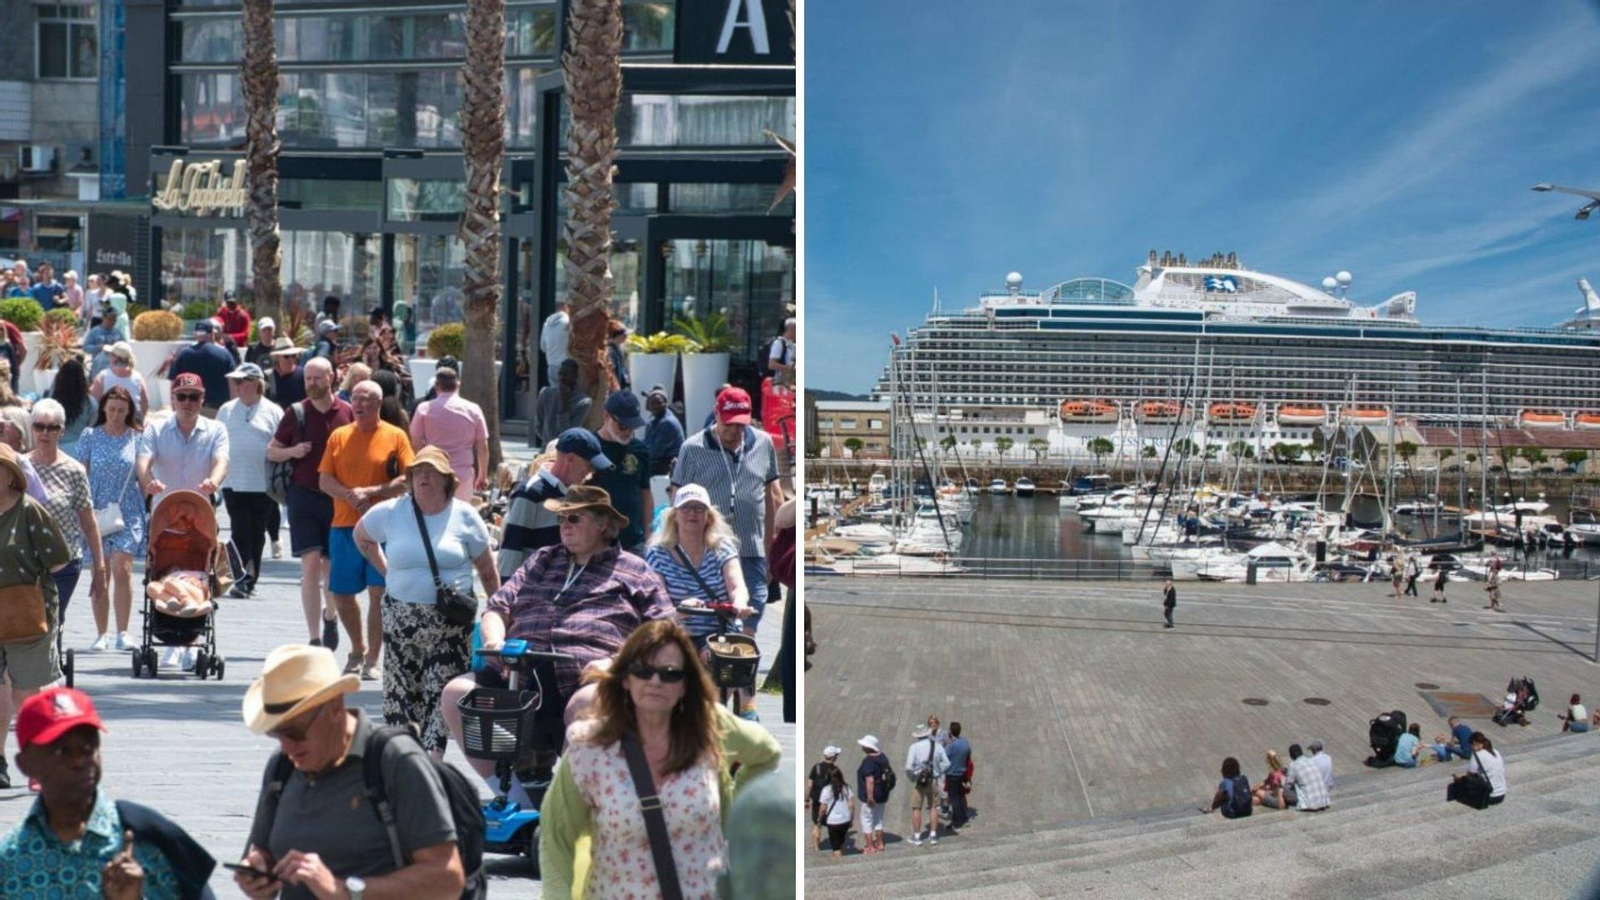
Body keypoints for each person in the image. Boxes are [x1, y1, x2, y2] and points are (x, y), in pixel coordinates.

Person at [439, 485, 675, 785]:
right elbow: (497, 608)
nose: (564, 525)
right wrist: (494, 641)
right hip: (519, 673)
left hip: (589, 676)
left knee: (585, 704)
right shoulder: (542, 559)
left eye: (574, 518)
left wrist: (618, 664)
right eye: (561, 519)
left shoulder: (635, 570)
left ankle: (566, 801)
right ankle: (508, 794)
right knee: (456, 694)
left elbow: (665, 633)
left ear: (602, 523)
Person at [538, 619, 782, 897]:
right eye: (643, 670)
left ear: (685, 686)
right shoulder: (589, 745)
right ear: (626, 679)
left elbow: (766, 753)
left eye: (669, 674)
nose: (655, 681)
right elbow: (555, 837)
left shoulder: (710, 725)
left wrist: (736, 813)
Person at [236, 644, 465, 899]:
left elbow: (447, 878)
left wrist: (346, 891)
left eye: (295, 732)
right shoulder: (282, 766)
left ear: (334, 707)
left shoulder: (394, 761)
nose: (287, 746)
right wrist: (257, 870)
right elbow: (262, 851)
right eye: (276, 733)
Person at [353, 447, 498, 760]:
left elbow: (487, 571)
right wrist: (386, 570)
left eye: (431, 472)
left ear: (447, 480)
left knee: (440, 690)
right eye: (418, 472)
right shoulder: (391, 511)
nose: (423, 477)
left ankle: (432, 759)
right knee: (400, 692)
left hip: (448, 626)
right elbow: (362, 537)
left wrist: (498, 614)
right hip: (401, 621)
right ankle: (403, 757)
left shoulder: (465, 515)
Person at [0, 687, 214, 896]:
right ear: (25, 764)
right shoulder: (10, 859)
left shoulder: (148, 837)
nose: (79, 761)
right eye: (62, 751)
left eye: (88, 747)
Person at [670, 387, 783, 676]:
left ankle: (741, 692)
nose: (734, 430)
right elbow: (676, 497)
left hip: (751, 548)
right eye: (728, 423)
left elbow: (773, 497)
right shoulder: (692, 448)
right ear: (716, 414)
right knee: (712, 623)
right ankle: (713, 683)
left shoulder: (763, 443)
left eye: (740, 424)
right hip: (708, 552)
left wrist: (771, 549)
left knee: (748, 623)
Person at [318, 380, 414, 680]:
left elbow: (407, 478)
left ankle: (373, 657)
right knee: (342, 594)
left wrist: (371, 492)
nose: (359, 405)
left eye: (366, 399)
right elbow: (324, 480)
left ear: (379, 403)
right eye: (355, 398)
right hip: (344, 526)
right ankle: (356, 650)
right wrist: (351, 495)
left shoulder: (395, 436)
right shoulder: (339, 436)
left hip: (384, 528)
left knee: (379, 592)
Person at [268, 357, 351, 650]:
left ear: (332, 378)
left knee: (332, 568)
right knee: (310, 566)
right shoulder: (296, 413)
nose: (312, 383)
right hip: (302, 495)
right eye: (308, 379)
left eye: (317, 378)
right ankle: (314, 636)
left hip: (336, 499)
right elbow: (272, 452)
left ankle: (331, 616)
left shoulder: (348, 412)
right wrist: (293, 450)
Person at [72, 387, 151, 654]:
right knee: (100, 572)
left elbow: (142, 471)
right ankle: (101, 632)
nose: (116, 414)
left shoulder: (136, 438)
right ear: (103, 408)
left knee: (122, 568)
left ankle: (124, 631)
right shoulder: (90, 436)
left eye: (121, 409)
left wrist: (152, 488)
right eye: (112, 408)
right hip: (96, 510)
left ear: (129, 411)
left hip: (128, 509)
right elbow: (80, 471)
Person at [28, 400, 103, 650]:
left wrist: (100, 569)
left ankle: (49, 668)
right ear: (32, 429)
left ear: (62, 431)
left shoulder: (74, 470)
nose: (45, 433)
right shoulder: (20, 467)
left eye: (52, 427)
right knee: (25, 619)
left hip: (65, 560)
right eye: (39, 427)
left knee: (52, 617)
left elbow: (89, 521)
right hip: (24, 560)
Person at [497, 428, 609, 577]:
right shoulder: (529, 492)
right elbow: (511, 548)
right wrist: (506, 594)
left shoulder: (575, 493)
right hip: (532, 588)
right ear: (570, 459)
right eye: (588, 464)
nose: (590, 472)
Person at [217, 363, 283, 598]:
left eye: (241, 381)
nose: (237, 386)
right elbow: (217, 442)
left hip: (262, 483)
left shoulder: (274, 411)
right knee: (239, 530)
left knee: (257, 532)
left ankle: (250, 578)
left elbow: (281, 443)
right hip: (233, 482)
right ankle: (242, 577)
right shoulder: (226, 410)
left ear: (255, 383)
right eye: (235, 382)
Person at [141, 373, 229, 511]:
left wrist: (213, 482)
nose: (187, 402)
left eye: (194, 397)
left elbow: (221, 462)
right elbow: (143, 462)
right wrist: (150, 482)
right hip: (164, 511)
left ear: (202, 399)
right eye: (181, 397)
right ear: (173, 398)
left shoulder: (217, 429)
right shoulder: (155, 428)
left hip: (201, 512)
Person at [408, 367, 488, 501]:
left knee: (432, 513)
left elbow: (415, 442)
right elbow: (482, 446)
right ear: (457, 385)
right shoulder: (473, 409)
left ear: (436, 386)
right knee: (460, 513)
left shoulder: (424, 409)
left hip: (433, 469)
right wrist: (482, 475)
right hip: (463, 472)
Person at [594, 391, 652, 553]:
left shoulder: (639, 449)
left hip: (633, 541)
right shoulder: (589, 447)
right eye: (622, 425)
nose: (627, 431)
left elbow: (645, 493)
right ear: (606, 416)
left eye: (633, 426)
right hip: (595, 542)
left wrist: (649, 534)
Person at [167, 321, 236, 415]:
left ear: (196, 335)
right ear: (212, 334)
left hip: (189, 409)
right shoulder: (224, 354)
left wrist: (174, 408)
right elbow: (232, 383)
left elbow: (174, 383)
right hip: (218, 410)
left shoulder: (182, 354)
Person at [905, 723, 950, 845]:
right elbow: (947, 763)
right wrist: (937, 771)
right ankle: (933, 835)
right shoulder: (937, 746)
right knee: (933, 807)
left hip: (919, 781)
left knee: (916, 808)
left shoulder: (913, 747)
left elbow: (908, 767)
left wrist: (913, 778)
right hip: (933, 780)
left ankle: (917, 836)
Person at [532, 358, 591, 448]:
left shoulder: (584, 402)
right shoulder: (546, 393)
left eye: (567, 375)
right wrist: (549, 441)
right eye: (560, 374)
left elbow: (568, 434)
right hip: (546, 448)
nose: (562, 378)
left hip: (567, 450)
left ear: (575, 376)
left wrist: (563, 405)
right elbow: (538, 425)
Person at [48, 355, 96, 453]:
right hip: (80, 449)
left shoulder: (51, 399)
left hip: (55, 447)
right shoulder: (89, 402)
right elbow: (93, 426)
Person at [1446, 731, 1506, 807]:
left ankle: (1451, 805)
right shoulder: (1495, 751)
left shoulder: (1478, 755)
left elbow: (1470, 775)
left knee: (1453, 786)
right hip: (1501, 794)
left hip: (1490, 796)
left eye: (1470, 745)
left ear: (1474, 743)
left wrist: (1458, 777)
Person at [89, 343, 150, 418]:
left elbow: (93, 401)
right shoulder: (138, 377)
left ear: (115, 357)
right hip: (133, 420)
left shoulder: (103, 376)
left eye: (111, 355)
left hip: (109, 420)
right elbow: (144, 402)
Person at [855, 735, 890, 854]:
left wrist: (870, 797)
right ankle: (880, 843)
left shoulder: (868, 762)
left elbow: (870, 780)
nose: (862, 747)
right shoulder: (882, 757)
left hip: (872, 795)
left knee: (866, 819)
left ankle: (870, 846)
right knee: (878, 818)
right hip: (883, 793)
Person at [643, 386, 683, 477]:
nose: (655, 406)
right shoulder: (655, 420)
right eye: (652, 403)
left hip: (667, 467)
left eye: (659, 403)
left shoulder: (667, 423)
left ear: (665, 403)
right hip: (660, 464)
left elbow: (654, 453)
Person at [817, 765, 855, 858]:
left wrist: (819, 820)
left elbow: (823, 808)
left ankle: (839, 863)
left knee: (835, 847)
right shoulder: (846, 788)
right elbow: (851, 805)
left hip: (832, 821)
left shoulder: (826, 790)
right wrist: (851, 819)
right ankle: (842, 858)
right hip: (845, 819)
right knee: (841, 843)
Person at [808, 746, 842, 851]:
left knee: (816, 823)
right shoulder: (835, 770)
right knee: (833, 824)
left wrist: (806, 798)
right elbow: (839, 786)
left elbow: (810, 785)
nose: (837, 757)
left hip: (817, 800)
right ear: (833, 757)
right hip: (830, 801)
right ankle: (836, 846)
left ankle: (816, 846)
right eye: (836, 755)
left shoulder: (816, 767)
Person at [83, 306, 123, 381]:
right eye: (110, 319)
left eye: (114, 320)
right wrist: (98, 347)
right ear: (103, 318)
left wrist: (118, 347)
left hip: (115, 369)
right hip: (98, 369)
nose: (112, 322)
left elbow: (125, 348)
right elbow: (86, 347)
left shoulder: (117, 333)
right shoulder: (95, 331)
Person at [1285, 743, 1328, 812]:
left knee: (1282, 790)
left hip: (1309, 804)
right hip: (1323, 801)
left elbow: (1287, 786)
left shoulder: (1293, 765)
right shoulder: (1311, 761)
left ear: (1291, 755)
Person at [943, 722, 972, 827]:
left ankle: (958, 820)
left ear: (951, 732)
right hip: (962, 774)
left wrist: (946, 744)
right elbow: (969, 754)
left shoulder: (952, 745)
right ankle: (963, 817)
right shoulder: (964, 742)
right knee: (960, 796)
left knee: (954, 798)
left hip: (952, 774)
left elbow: (944, 756)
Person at [267, 337, 307, 406]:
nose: (291, 359)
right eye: (286, 356)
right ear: (277, 357)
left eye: (293, 356)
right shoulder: (268, 376)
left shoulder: (303, 374)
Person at [540, 299, 570, 385]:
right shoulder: (567, 322)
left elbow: (543, 347)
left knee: (555, 395)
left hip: (551, 366)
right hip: (567, 367)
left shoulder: (546, 324)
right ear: (565, 307)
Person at [767, 317, 796, 387]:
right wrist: (790, 369)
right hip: (780, 383)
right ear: (791, 329)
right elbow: (771, 364)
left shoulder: (792, 345)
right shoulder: (779, 343)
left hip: (790, 383)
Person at [606, 320, 631, 391]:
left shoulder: (621, 349)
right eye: (623, 334)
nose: (626, 336)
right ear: (616, 335)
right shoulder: (609, 351)